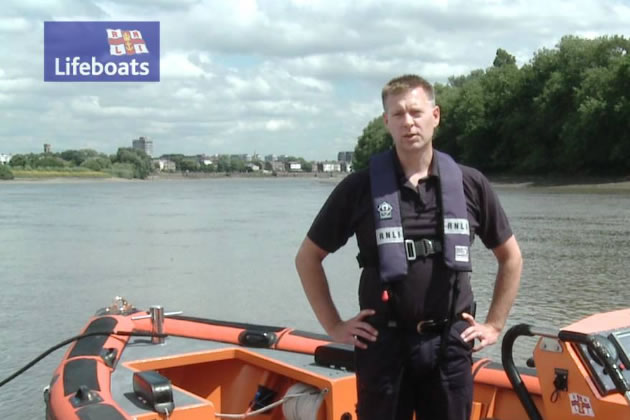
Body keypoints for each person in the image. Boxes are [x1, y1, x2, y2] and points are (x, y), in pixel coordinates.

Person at [295, 74, 522, 420]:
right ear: (386, 122)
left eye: (416, 112)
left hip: (450, 344)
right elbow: (308, 259)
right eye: (398, 114)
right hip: (383, 346)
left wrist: (494, 324)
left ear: (436, 115)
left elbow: (511, 258)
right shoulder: (360, 188)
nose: (408, 122)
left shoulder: (470, 185)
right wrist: (335, 326)